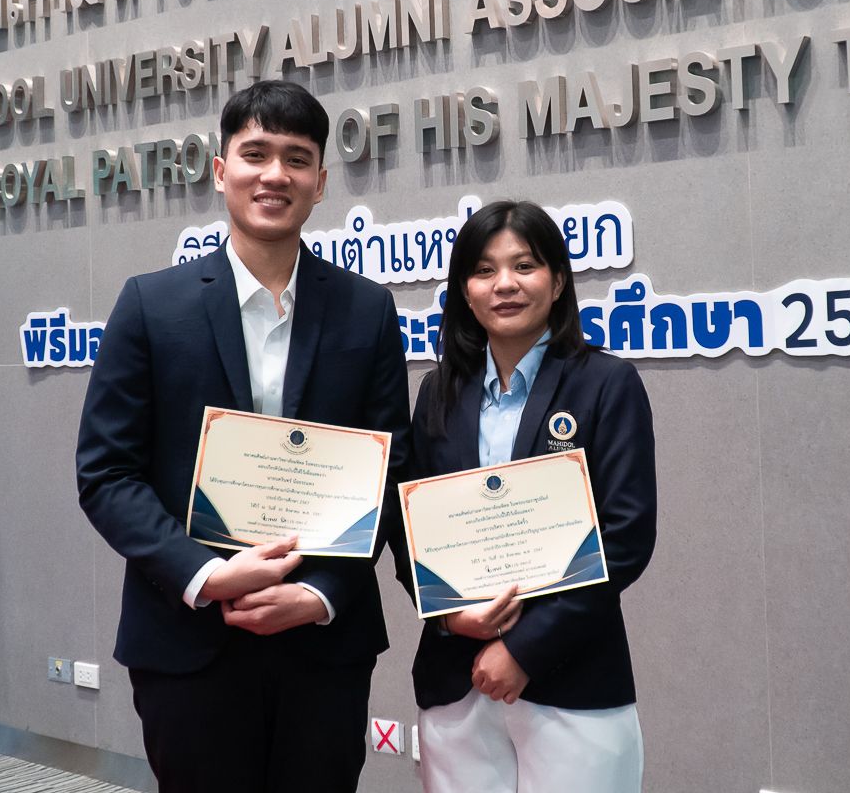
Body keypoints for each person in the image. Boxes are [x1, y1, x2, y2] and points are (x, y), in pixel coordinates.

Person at [76, 80, 410, 793]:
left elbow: (389, 472)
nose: (274, 174)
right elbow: (107, 474)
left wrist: (321, 593)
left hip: (323, 643)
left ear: (321, 182)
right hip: (190, 638)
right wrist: (204, 575)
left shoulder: (368, 311)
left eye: (297, 158)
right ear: (221, 170)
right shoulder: (150, 306)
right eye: (255, 154)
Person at [389, 200, 658, 793]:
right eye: (484, 270)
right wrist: (452, 618)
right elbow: (411, 530)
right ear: (464, 291)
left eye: (525, 266)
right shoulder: (438, 391)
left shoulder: (606, 384)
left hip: (571, 679)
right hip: (455, 680)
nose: (504, 284)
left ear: (557, 281)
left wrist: (525, 648)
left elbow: (625, 537)